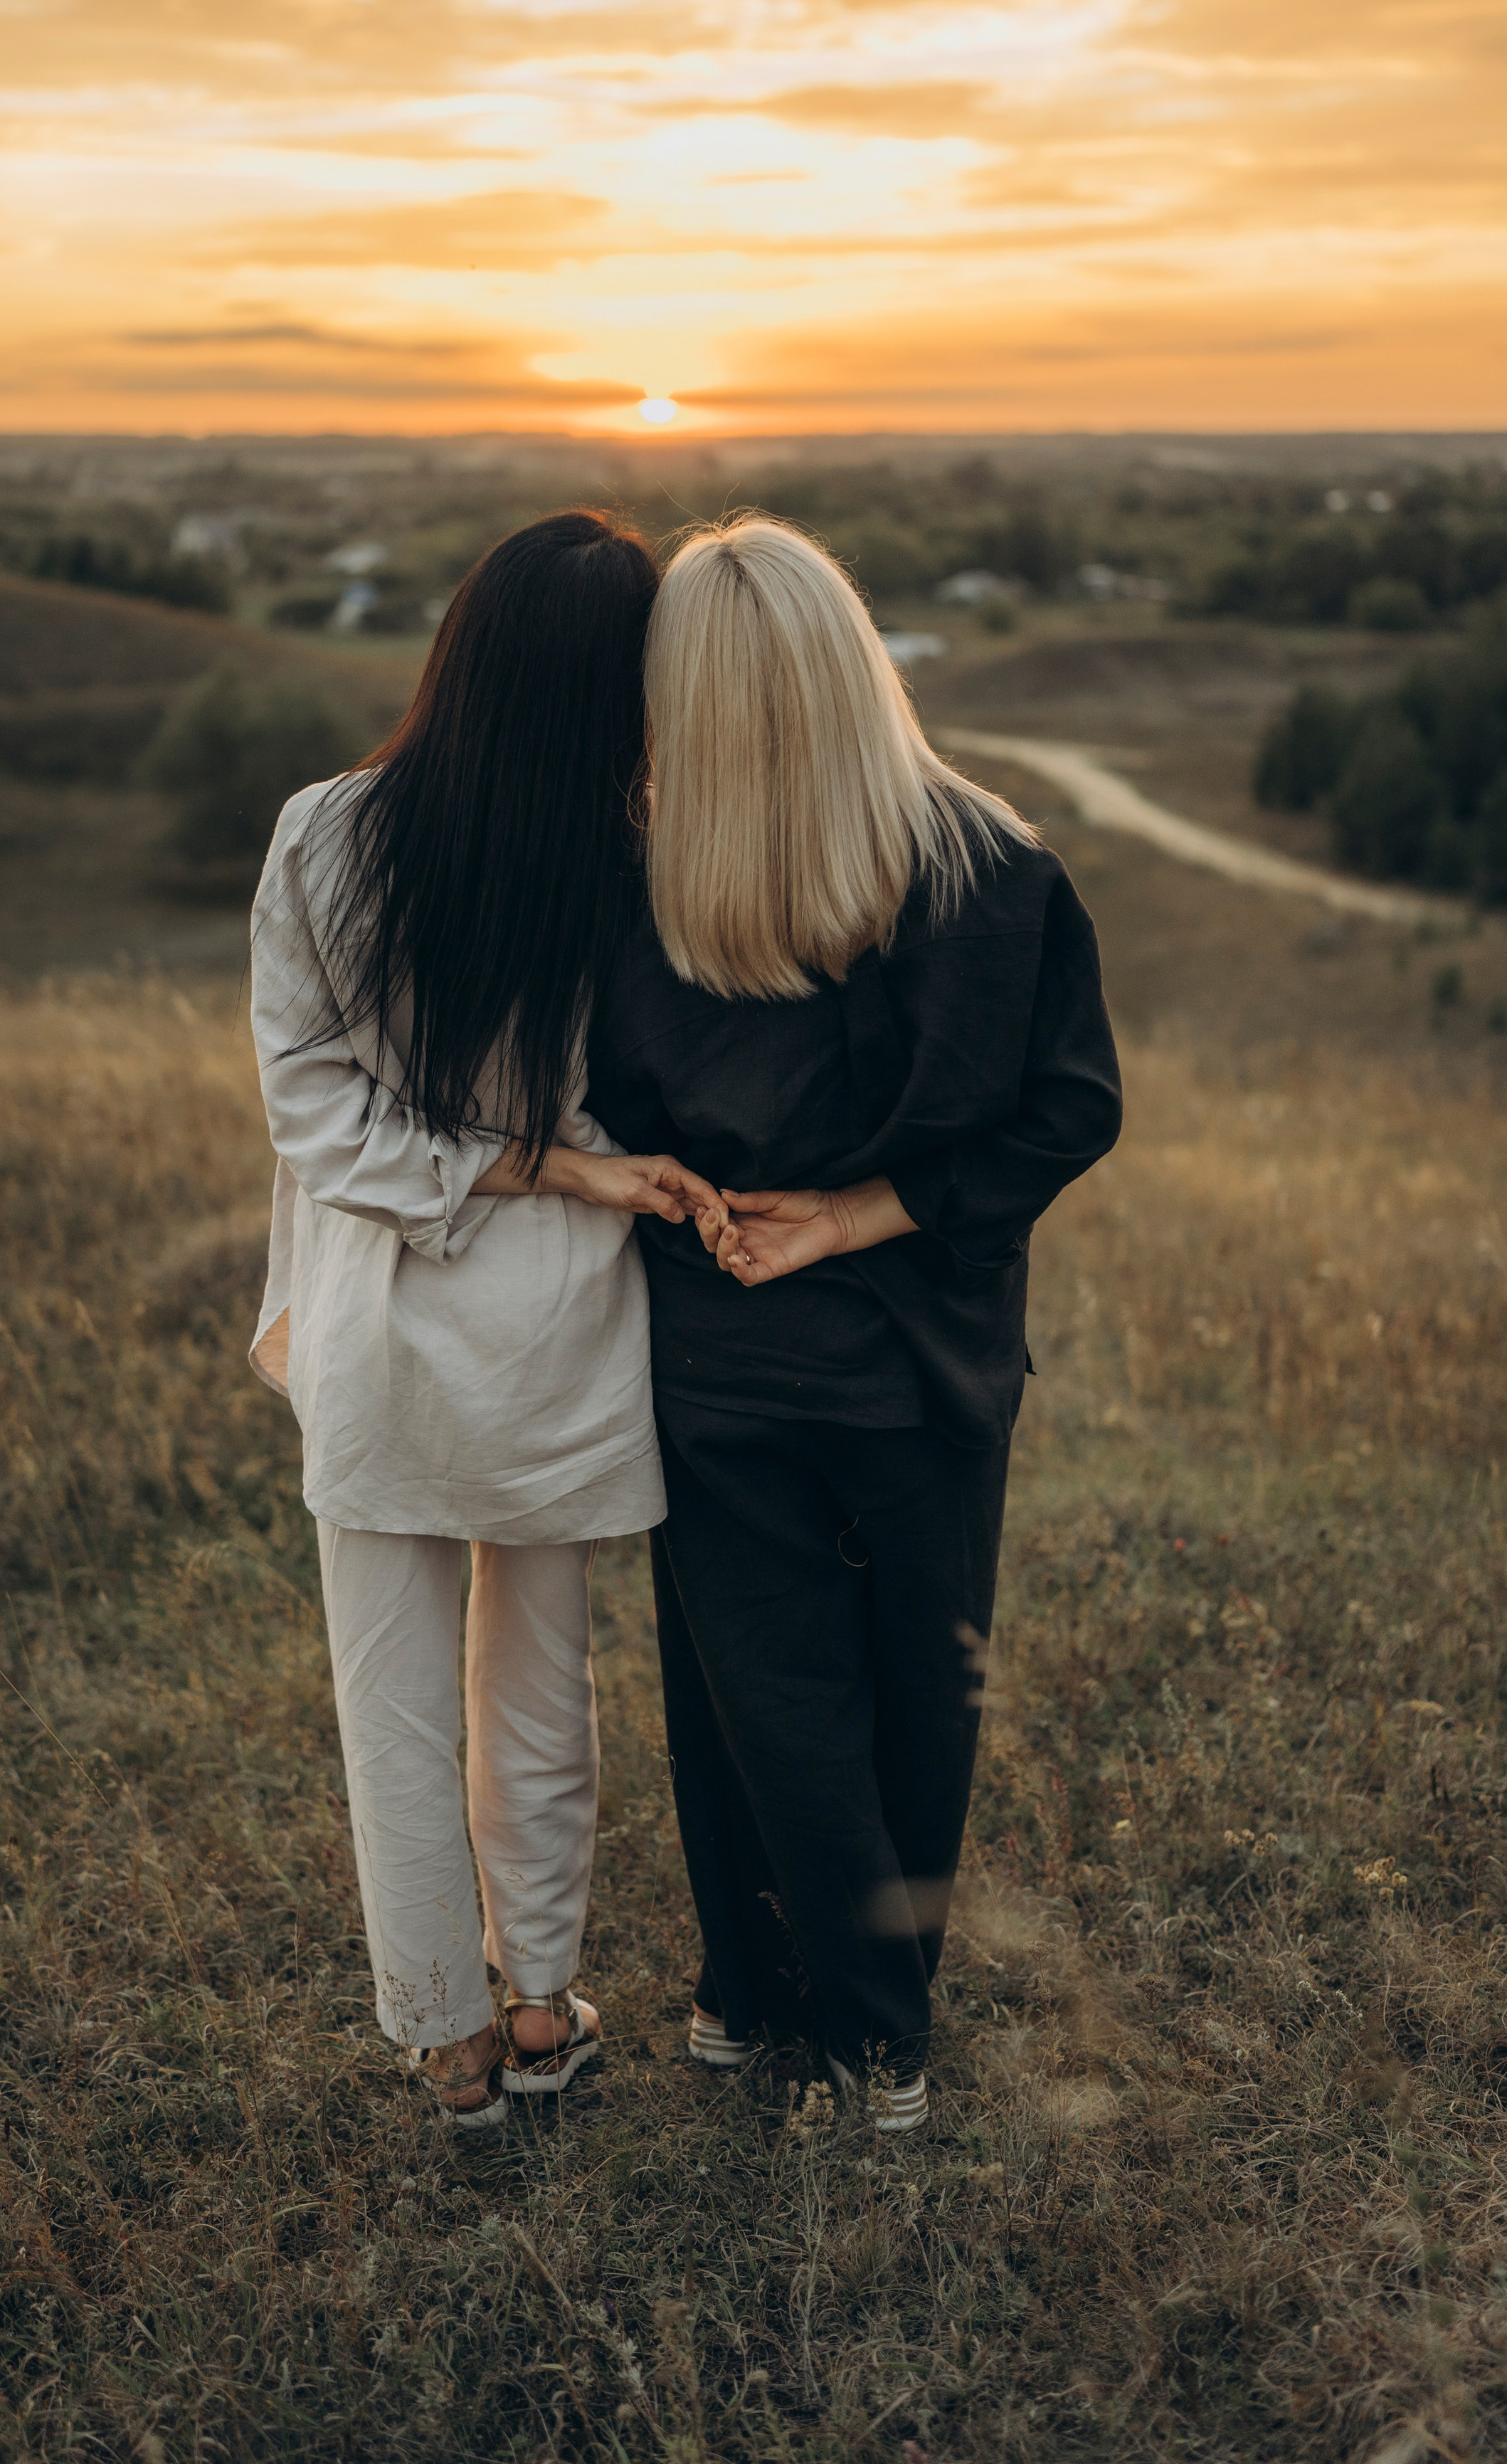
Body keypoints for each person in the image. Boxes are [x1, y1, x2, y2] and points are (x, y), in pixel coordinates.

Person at [585, 516, 1122, 2132]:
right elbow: (1069, 1111)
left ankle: (769, 2003)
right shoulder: (997, 872)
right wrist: (864, 1211)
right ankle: (862, 2039)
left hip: (721, 1345)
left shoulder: (645, 886)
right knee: (914, 1700)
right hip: (925, 1357)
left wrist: (759, 1207)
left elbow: (614, 1112)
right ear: (854, 663)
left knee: (754, 1698)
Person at [248, 511, 716, 2127]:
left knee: (387, 1695)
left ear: (464, 646)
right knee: (538, 1682)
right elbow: (640, 1109)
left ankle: (448, 2045)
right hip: (554, 1326)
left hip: (380, 1307)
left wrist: (487, 1163)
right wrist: (565, 1169)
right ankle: (537, 2006)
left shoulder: (325, 833)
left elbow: (309, 1108)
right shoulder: (630, 865)